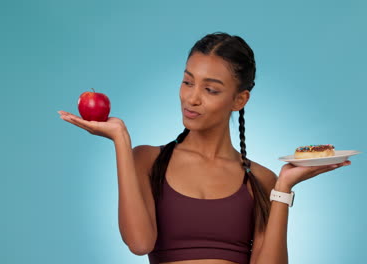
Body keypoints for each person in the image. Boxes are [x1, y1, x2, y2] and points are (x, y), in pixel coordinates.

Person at [58, 32, 351, 264]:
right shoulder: (147, 160)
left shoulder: (261, 180)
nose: (192, 98)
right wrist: (120, 139)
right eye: (188, 82)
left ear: (240, 100)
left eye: (210, 89)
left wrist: (284, 187)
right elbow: (139, 243)